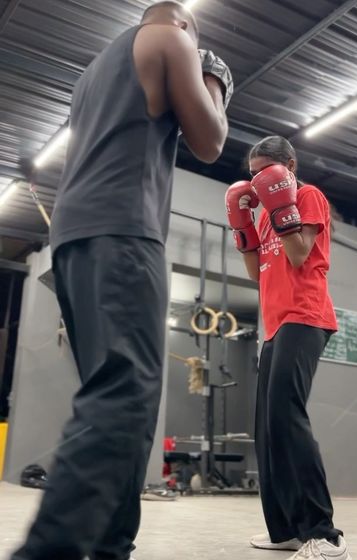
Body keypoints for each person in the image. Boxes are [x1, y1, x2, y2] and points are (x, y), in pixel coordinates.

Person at [11, 2, 232, 560]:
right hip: (124, 229)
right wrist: (215, 83)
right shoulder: (171, 38)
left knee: (124, 398)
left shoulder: (95, 71)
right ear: (184, 25)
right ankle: (49, 551)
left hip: (73, 238)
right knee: (125, 395)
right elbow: (210, 141)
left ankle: (113, 547)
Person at [225, 136, 351, 560]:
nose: (258, 180)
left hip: (306, 316)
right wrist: (244, 227)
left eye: (265, 171)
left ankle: (325, 535)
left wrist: (282, 206)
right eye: (253, 174)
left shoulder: (309, 196)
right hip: (275, 326)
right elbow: (256, 273)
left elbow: (298, 255)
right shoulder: (263, 215)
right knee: (267, 429)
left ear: (289, 166)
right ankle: (286, 530)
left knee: (286, 416)